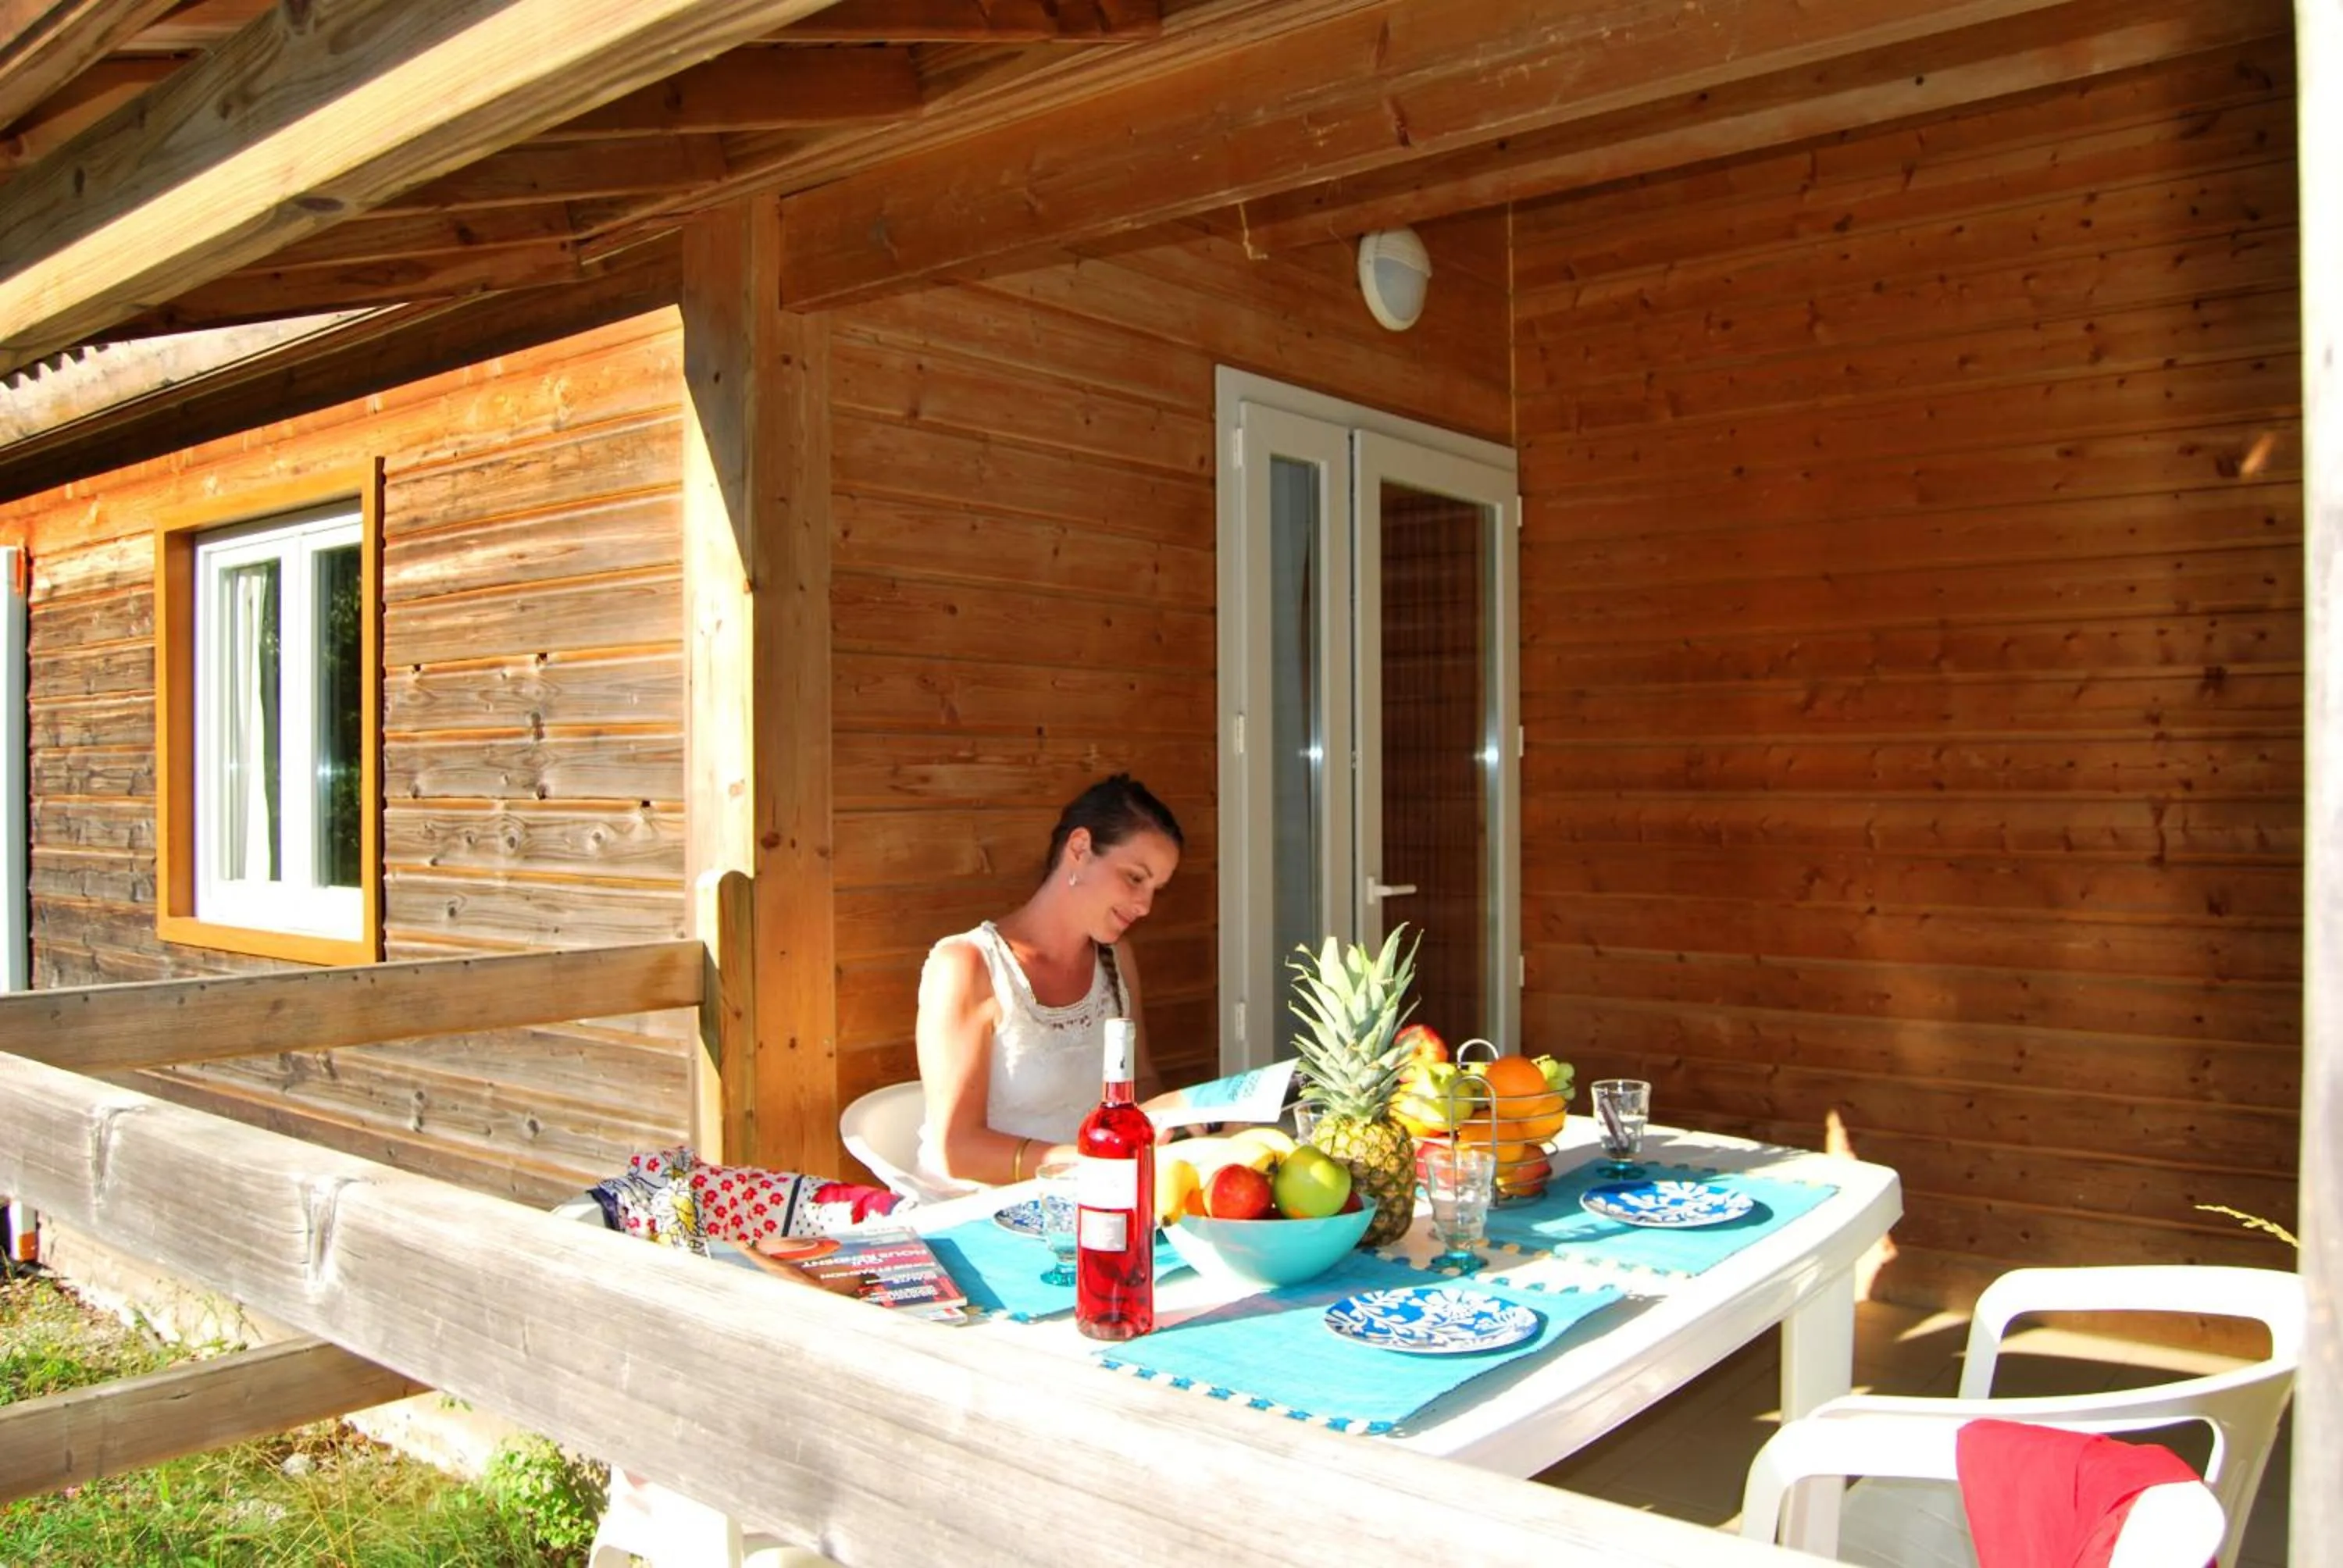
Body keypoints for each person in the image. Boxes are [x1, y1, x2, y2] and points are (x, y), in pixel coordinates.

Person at [911, 773, 1184, 1200]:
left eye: (1156, 890)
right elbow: (957, 1150)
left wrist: (1181, 1123)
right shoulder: (967, 965)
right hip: (975, 1219)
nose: (1145, 906)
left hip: (1090, 1201)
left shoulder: (1116, 960)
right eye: (1135, 878)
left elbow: (1140, 1080)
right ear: (1079, 849)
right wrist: (1085, 1162)